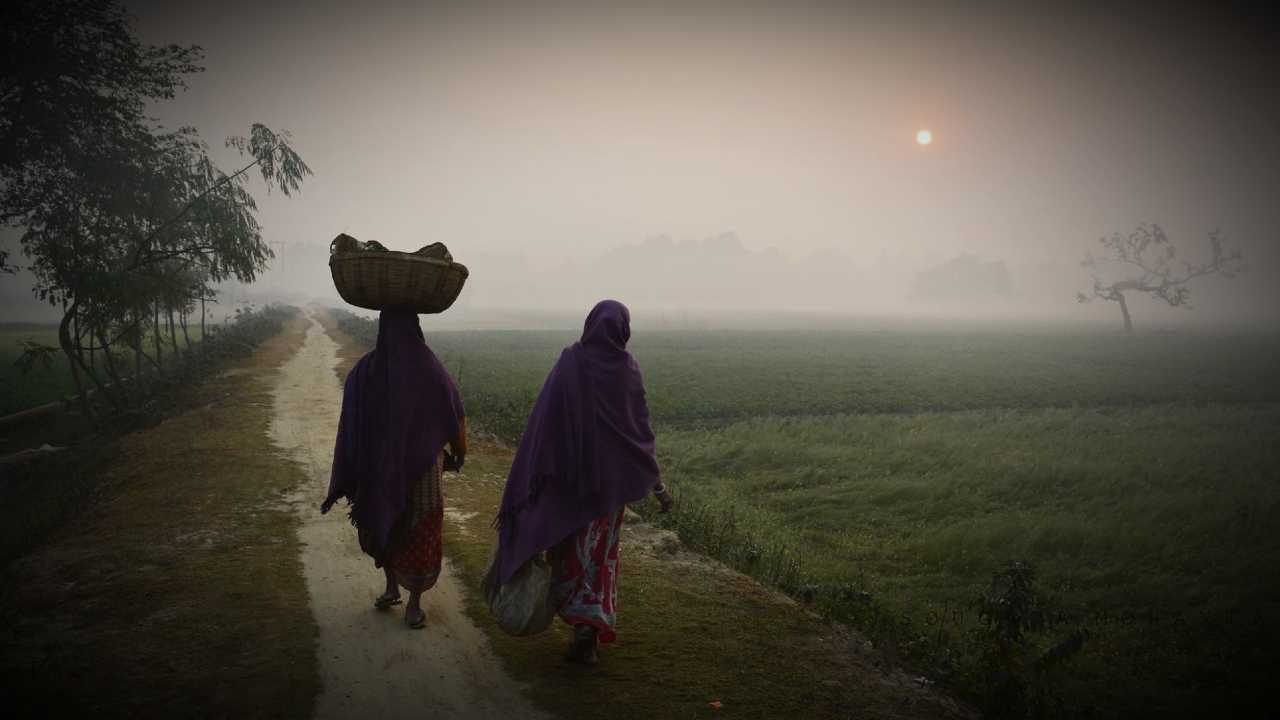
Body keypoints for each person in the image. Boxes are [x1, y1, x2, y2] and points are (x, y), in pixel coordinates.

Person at [493, 299, 674, 665]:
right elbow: (639, 435)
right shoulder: (628, 371)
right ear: (624, 330)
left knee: (570, 556)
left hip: (571, 490)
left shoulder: (570, 363)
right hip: (609, 496)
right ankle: (587, 627)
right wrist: (658, 486)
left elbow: (544, 425)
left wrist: (535, 475)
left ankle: (582, 628)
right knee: (600, 558)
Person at [322, 309, 467, 629]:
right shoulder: (430, 369)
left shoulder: (365, 370)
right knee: (418, 530)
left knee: (384, 521)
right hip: (423, 474)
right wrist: (459, 454)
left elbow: (350, 424)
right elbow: (455, 416)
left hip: (377, 471)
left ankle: (393, 588)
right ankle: (411, 603)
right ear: (416, 328)